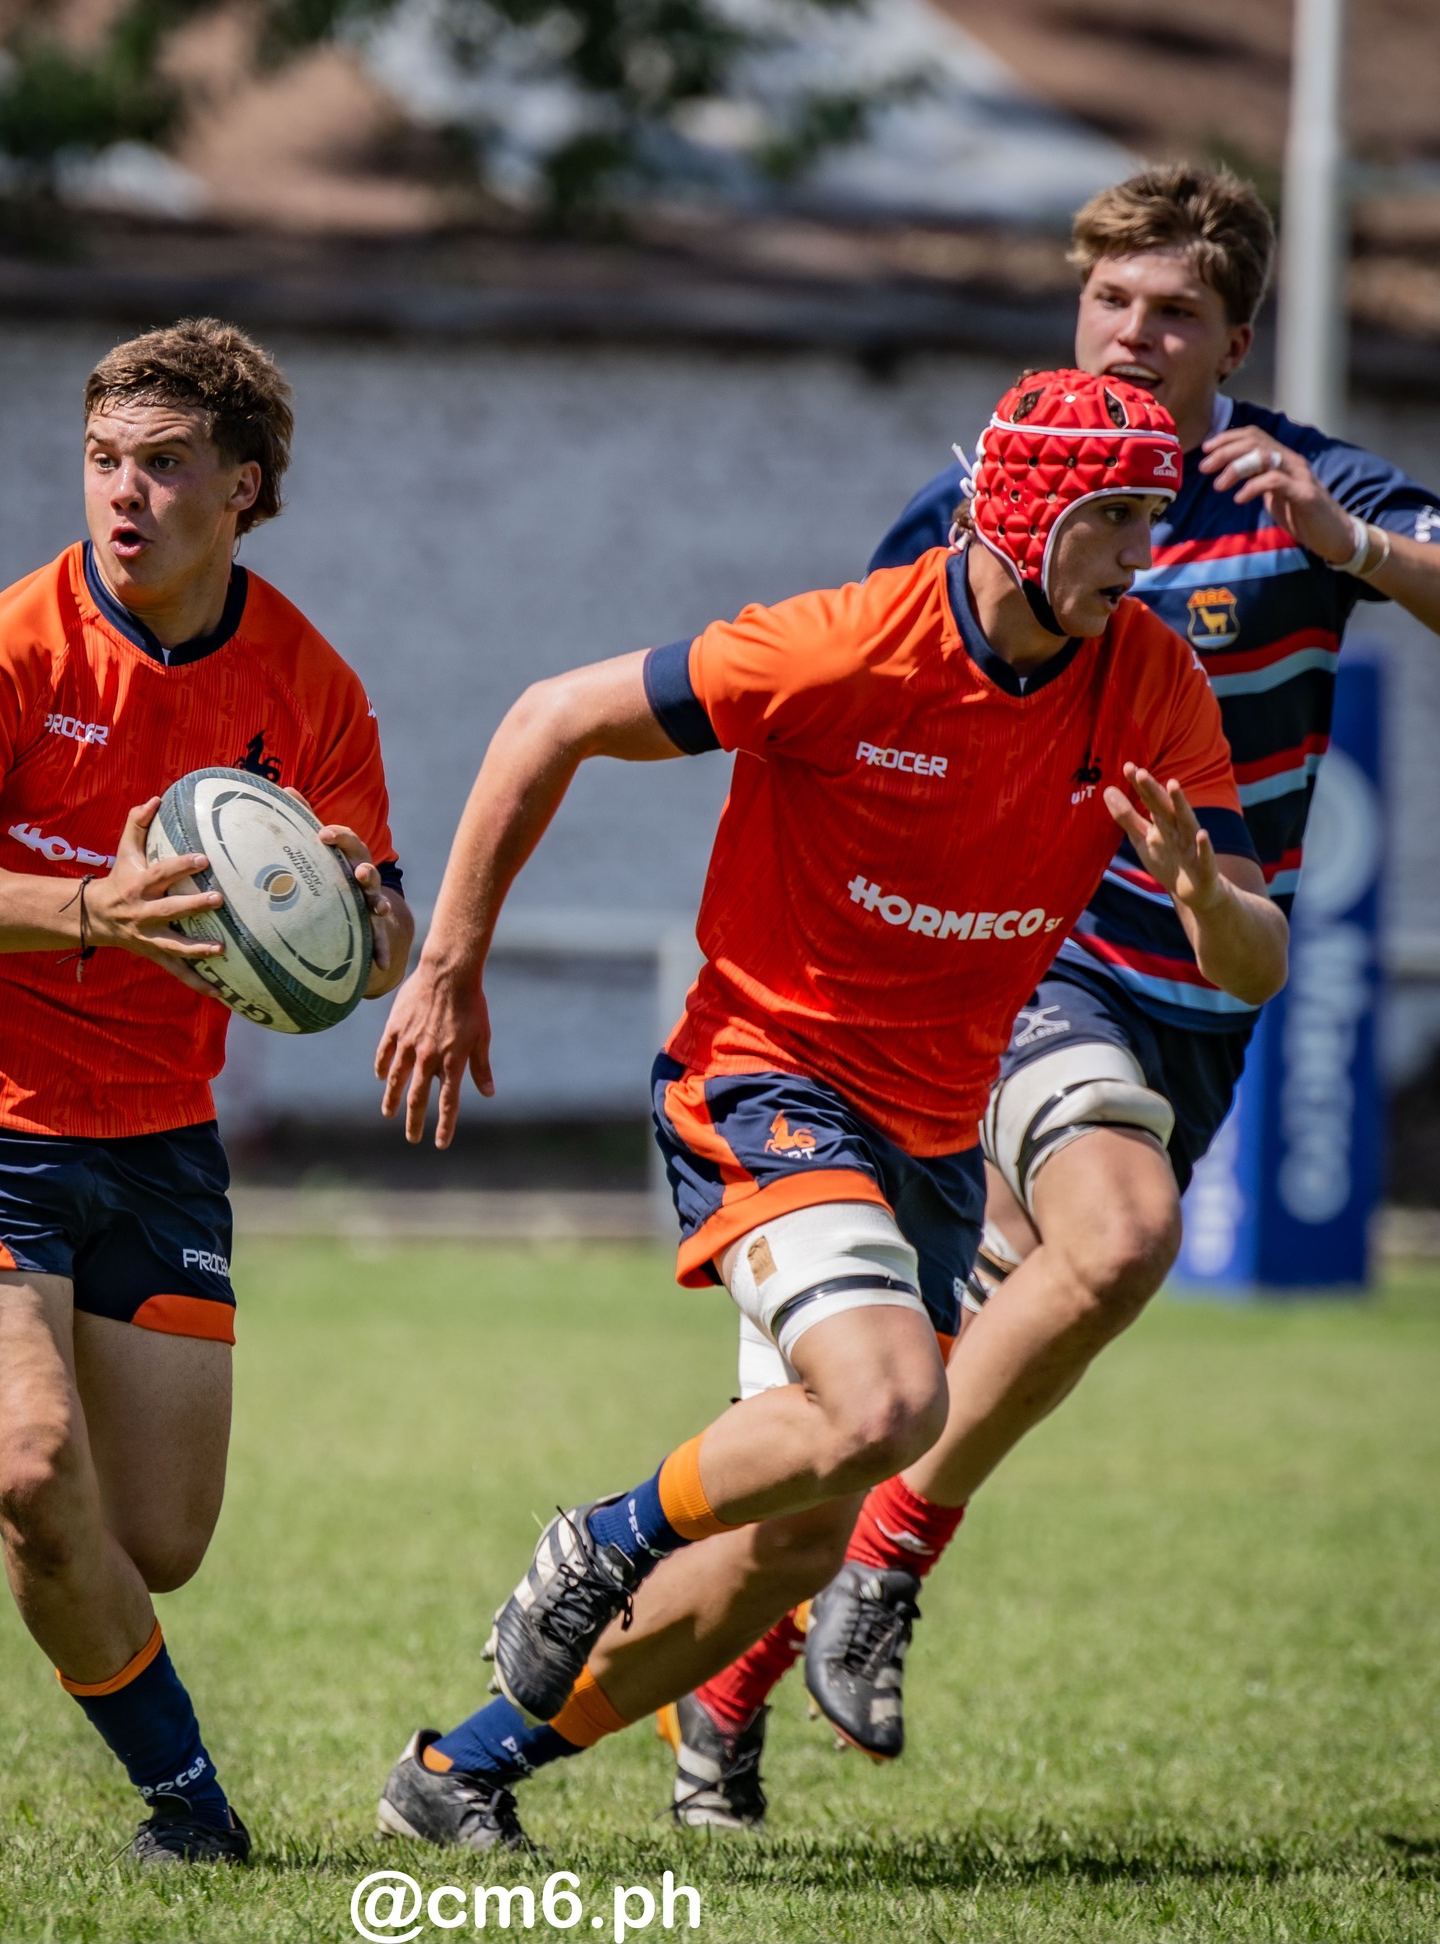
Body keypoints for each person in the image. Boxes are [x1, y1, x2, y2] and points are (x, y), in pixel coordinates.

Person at [667, 162, 1440, 1833]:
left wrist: (1347, 540)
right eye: (1113, 303)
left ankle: (723, 1690)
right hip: (1026, 969)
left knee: (934, 1353)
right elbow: (858, 710)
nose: (1138, 336)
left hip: (1204, 998)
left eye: (1177, 315)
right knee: (1121, 1233)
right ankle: (885, 1570)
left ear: (1236, 340)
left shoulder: (1297, 488)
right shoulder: (986, 496)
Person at [369, 367, 1288, 1851]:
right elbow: (550, 718)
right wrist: (451, 961)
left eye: (1153, 518)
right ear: (1027, 513)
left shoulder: (1150, 680)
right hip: (767, 1082)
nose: (1143, 554)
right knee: (893, 1406)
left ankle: (459, 1769)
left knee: (783, 1551)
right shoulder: (848, 646)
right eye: (1117, 520)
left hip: (925, 1137)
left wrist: (1202, 894)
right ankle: (598, 1539)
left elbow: (1258, 953)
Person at [0, 318, 413, 1865]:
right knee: (40, 1468)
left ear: (247, 491)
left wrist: (373, 934)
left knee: (156, 1539)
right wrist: (90, 908)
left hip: (157, 1139)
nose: (124, 495)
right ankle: (190, 1810)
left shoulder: (309, 686)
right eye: (103, 462)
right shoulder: (8, 648)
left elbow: (356, 950)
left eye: (163, 466)